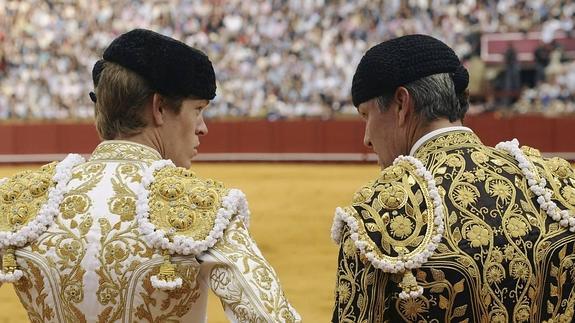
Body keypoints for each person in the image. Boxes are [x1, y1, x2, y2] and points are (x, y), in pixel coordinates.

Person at [0, 29, 300, 323]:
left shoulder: (26, 201)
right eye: (197, 109)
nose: (202, 128)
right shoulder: (204, 208)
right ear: (158, 108)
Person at [330, 34, 575, 322]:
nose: (367, 138)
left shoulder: (377, 216)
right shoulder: (555, 185)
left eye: (365, 116)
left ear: (401, 104)